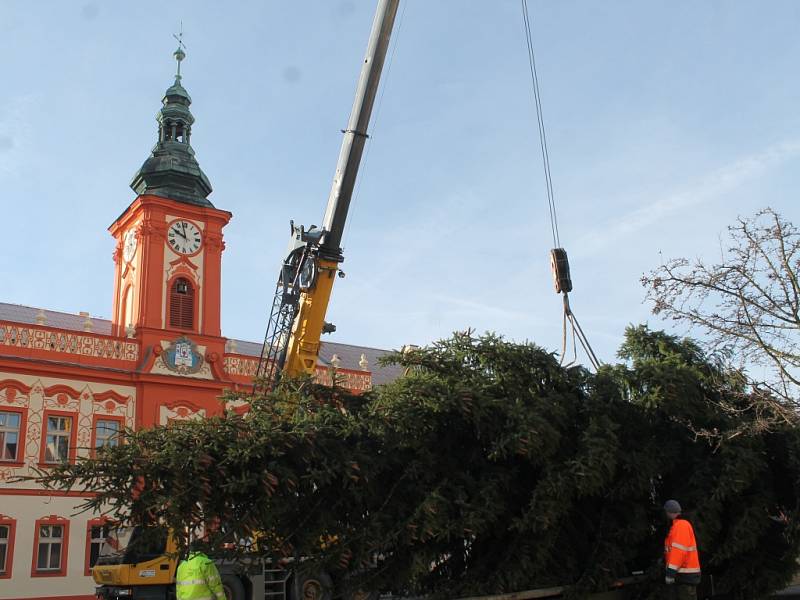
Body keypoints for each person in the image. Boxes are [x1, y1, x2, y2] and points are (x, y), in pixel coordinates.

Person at [663, 499, 701, 600]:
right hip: (685, 576)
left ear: (669, 512)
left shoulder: (680, 526)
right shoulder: (680, 525)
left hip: (685, 576)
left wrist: (670, 572)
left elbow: (678, 552)